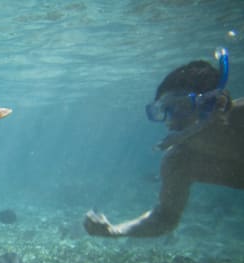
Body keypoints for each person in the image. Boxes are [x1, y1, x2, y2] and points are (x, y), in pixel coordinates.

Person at [84, 48, 243, 238]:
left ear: (216, 104)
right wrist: (115, 231)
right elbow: (165, 217)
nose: (170, 122)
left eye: (178, 108)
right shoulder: (179, 161)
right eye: (162, 111)